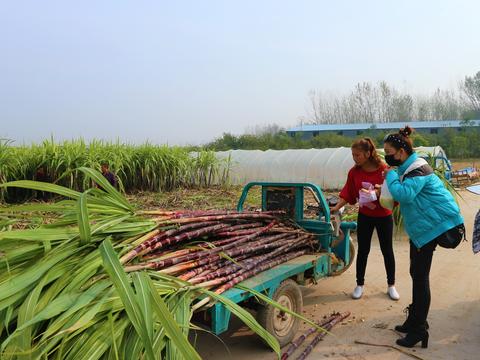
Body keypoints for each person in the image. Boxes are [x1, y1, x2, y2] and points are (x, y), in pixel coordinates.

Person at [383, 126, 463, 348]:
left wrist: (389, 174)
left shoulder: (418, 168)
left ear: (400, 151)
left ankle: (419, 330)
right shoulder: (408, 168)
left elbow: (405, 194)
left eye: (389, 151)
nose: (387, 155)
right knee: (415, 273)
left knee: (420, 277)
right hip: (423, 228)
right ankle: (414, 320)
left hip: (437, 226)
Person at [330, 138, 399, 301]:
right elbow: (348, 192)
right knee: (363, 251)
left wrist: (380, 192)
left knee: (387, 250)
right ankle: (359, 285)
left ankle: (391, 286)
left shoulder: (384, 169)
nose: (355, 158)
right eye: (353, 155)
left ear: (368, 154)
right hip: (365, 216)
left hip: (384, 216)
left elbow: (393, 193)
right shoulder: (354, 172)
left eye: (358, 155)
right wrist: (337, 206)